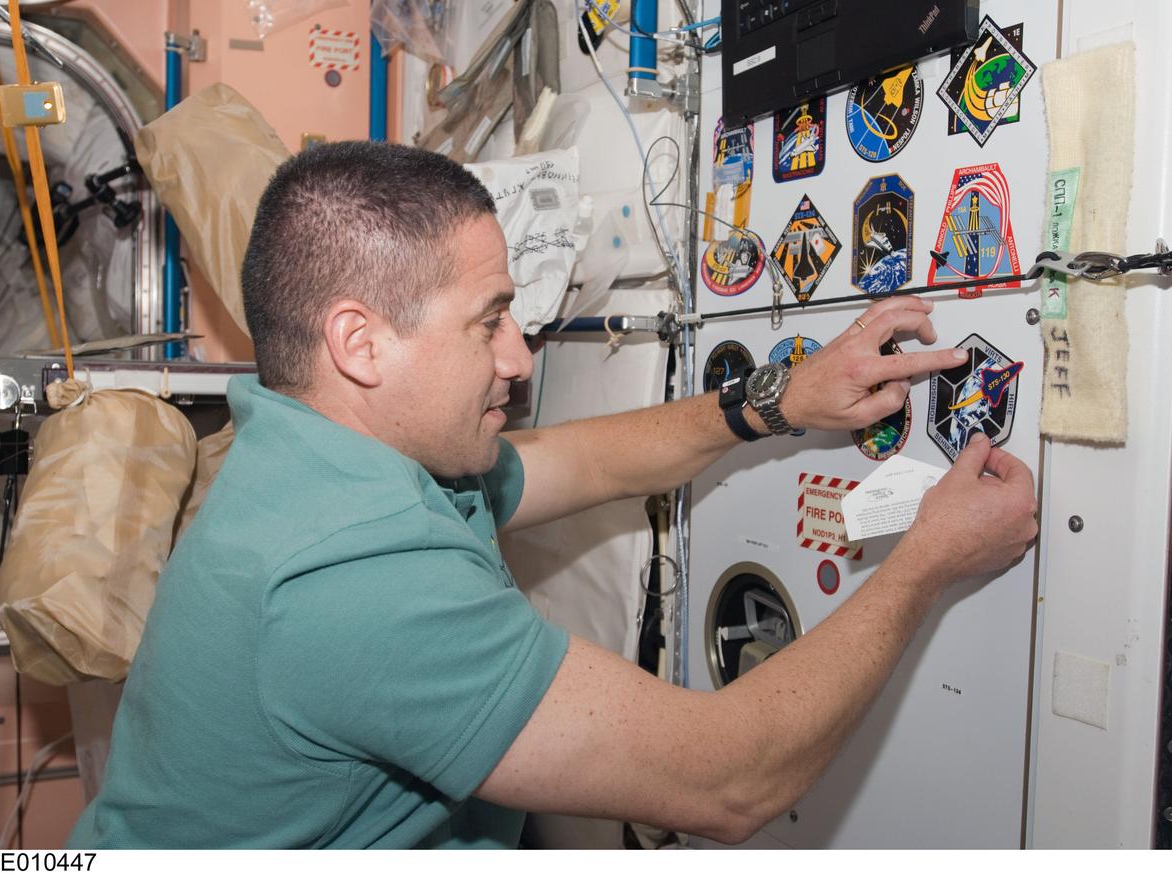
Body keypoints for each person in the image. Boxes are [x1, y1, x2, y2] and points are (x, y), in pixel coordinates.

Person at [68, 141, 1037, 849]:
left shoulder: (321, 456)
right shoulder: (351, 575)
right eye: (488, 319)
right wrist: (926, 558)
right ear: (360, 344)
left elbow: (585, 462)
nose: (519, 357)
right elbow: (735, 778)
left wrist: (779, 398)